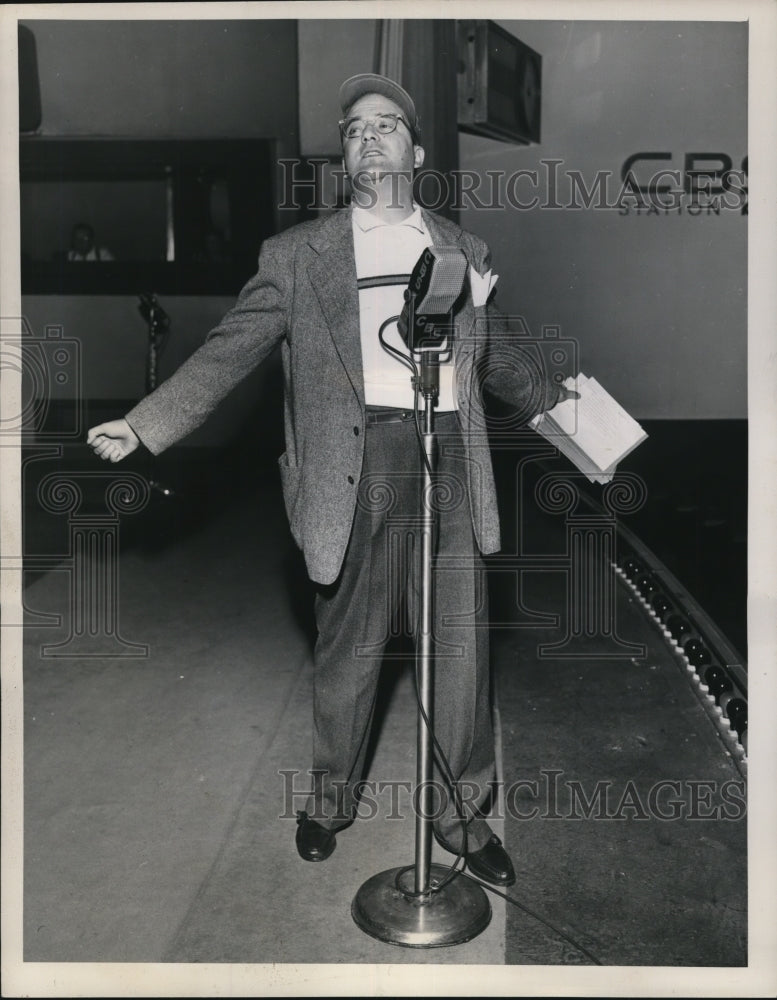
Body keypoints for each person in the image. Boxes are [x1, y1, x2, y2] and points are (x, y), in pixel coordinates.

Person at [87, 73, 571, 887]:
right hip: (356, 466)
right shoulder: (297, 255)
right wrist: (146, 423)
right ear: (344, 157)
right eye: (353, 129)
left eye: (386, 125)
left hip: (448, 454)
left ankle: (461, 818)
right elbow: (228, 348)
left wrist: (582, 422)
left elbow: (505, 360)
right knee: (349, 648)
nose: (368, 137)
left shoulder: (462, 248)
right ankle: (327, 800)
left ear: (416, 152)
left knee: (458, 649)